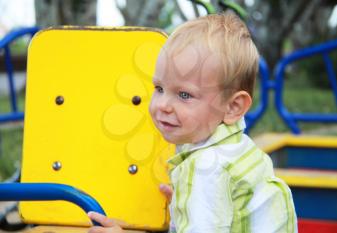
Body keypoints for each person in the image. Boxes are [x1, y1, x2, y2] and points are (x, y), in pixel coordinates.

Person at [88, 13, 297, 233]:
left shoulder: (205, 169)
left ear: (233, 107)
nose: (163, 105)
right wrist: (184, 209)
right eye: (159, 89)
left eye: (184, 95)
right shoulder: (239, 150)